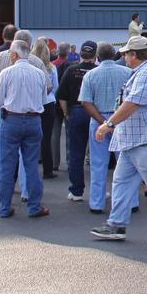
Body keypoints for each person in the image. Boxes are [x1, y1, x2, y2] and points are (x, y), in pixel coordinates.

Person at [90, 36, 147, 243]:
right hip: (136, 138)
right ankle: (116, 224)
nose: (124, 57)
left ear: (134, 54)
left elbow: (133, 102)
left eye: (126, 54)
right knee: (122, 182)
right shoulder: (146, 70)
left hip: (146, 138)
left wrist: (109, 124)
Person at [0, 29, 44, 201]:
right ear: (29, 45)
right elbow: (47, 87)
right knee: (27, 156)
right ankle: (26, 192)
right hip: (29, 113)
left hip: (3, 110)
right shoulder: (36, 62)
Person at [0, 39, 50, 219]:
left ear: (14, 54)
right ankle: (34, 206)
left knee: (7, 166)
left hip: (12, 119)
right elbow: (43, 99)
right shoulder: (39, 73)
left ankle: (4, 207)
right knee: (31, 165)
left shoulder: (6, 72)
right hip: (33, 120)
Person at [79, 42, 135, 215]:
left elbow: (85, 102)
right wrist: (113, 122)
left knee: (98, 164)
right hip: (122, 119)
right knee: (126, 163)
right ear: (115, 54)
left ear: (97, 56)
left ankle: (97, 203)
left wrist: (104, 122)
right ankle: (131, 201)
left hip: (98, 120)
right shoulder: (128, 73)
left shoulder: (90, 75)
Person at [56, 40, 98, 202]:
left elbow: (62, 95)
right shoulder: (97, 71)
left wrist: (66, 113)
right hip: (95, 112)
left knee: (75, 152)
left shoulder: (71, 70)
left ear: (80, 54)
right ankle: (98, 189)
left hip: (76, 111)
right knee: (98, 153)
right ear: (95, 55)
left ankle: (76, 190)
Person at [32, 39, 61, 184]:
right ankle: (48, 169)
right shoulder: (51, 67)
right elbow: (55, 86)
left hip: (33, 103)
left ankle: (31, 168)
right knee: (46, 137)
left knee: (31, 137)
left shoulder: (30, 66)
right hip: (48, 103)